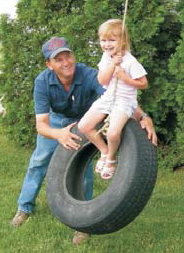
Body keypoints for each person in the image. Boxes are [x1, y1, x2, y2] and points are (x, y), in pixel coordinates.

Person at [10, 36, 157, 245]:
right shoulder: (42, 81)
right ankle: (24, 208)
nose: (66, 62)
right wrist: (59, 134)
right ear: (49, 65)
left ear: (73, 55)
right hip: (57, 121)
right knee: (38, 162)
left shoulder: (87, 74)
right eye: (58, 59)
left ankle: (84, 223)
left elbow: (117, 97)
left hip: (84, 119)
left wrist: (144, 117)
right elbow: (41, 125)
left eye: (67, 55)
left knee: (83, 170)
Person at [78, 19, 148, 180]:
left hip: (124, 101)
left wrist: (125, 78)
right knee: (84, 126)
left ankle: (111, 159)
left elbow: (144, 84)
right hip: (108, 98)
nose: (107, 44)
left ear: (123, 40)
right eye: (103, 40)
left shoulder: (130, 61)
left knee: (112, 133)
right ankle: (103, 151)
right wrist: (112, 65)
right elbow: (102, 81)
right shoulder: (106, 57)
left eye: (112, 40)